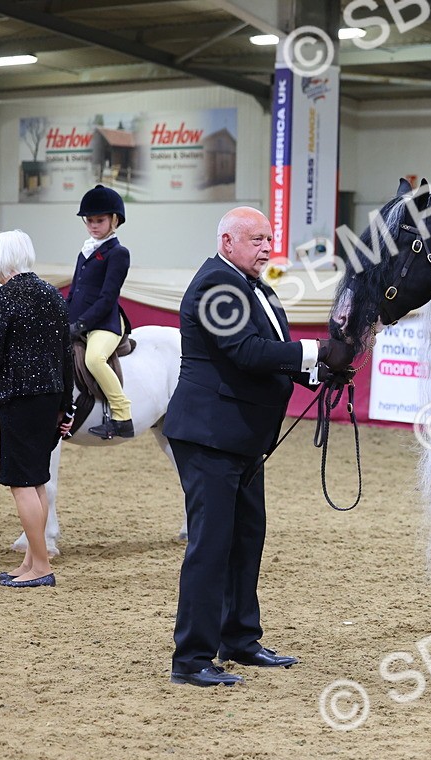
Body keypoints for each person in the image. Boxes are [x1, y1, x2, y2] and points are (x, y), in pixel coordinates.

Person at [164, 206, 354, 687]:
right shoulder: (214, 286)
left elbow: (270, 356)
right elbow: (246, 353)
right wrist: (316, 350)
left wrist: (321, 372)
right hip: (209, 437)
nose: (267, 247)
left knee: (246, 540)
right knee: (211, 546)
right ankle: (191, 658)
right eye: (257, 239)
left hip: (242, 438)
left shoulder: (256, 286)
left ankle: (240, 639)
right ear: (227, 242)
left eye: (269, 239)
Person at [0, 231, 74, 588]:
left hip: (19, 399)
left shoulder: (3, 297)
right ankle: (32, 560)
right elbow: (66, 354)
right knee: (36, 480)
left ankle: (41, 567)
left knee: (21, 483)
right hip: (49, 398)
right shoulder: (51, 293)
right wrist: (66, 407)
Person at [66, 184, 134, 439]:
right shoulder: (84, 252)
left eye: (100, 220)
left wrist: (81, 325)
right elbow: (73, 292)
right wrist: (63, 318)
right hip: (79, 319)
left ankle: (122, 414)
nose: (93, 226)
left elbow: (108, 298)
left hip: (105, 322)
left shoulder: (118, 253)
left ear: (114, 220)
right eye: (89, 220)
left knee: (94, 359)